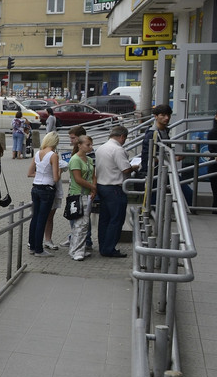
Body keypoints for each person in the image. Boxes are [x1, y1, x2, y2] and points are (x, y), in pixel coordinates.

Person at [94, 126, 138, 257]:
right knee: (116, 219)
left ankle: (103, 246)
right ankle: (109, 248)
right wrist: (134, 167)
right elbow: (125, 169)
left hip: (102, 186)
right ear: (122, 137)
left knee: (104, 219)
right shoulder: (118, 149)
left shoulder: (101, 148)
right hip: (115, 188)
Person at [139, 105, 193, 207]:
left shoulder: (164, 131)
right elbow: (149, 156)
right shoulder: (151, 134)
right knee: (155, 198)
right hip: (155, 172)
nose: (166, 118)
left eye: (168, 115)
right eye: (162, 115)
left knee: (185, 192)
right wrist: (172, 158)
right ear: (155, 116)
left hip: (164, 170)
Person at [26, 132, 60, 257]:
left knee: (35, 217)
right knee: (42, 218)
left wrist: (41, 174)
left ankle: (32, 245)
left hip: (36, 187)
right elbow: (56, 178)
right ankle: (39, 249)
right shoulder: (53, 155)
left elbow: (30, 173)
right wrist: (59, 171)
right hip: (47, 189)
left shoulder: (37, 153)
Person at [66, 135, 97, 261]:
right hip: (77, 194)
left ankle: (79, 248)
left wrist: (93, 187)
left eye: (91, 144)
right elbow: (78, 179)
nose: (90, 147)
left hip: (87, 194)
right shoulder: (75, 160)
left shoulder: (89, 160)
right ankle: (76, 250)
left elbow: (93, 174)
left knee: (84, 223)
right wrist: (92, 187)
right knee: (79, 223)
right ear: (79, 145)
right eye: (88, 144)